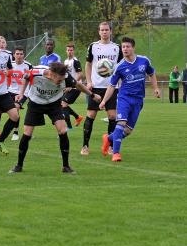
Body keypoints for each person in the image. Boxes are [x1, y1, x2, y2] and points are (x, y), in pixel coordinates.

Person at [8, 62, 102, 174]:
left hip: (54, 104)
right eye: (59, 80)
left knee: (63, 130)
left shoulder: (65, 77)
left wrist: (92, 95)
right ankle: (19, 165)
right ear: (51, 74)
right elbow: (26, 77)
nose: (61, 82)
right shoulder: (37, 72)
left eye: (63, 80)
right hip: (35, 103)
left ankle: (66, 166)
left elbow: (78, 85)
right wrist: (21, 93)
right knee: (27, 134)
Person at [99, 37, 160, 162]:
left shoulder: (144, 61)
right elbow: (111, 86)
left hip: (138, 100)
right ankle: (116, 153)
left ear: (133, 47)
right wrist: (104, 101)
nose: (125, 49)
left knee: (127, 131)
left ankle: (109, 138)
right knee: (121, 124)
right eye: (123, 47)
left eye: (127, 46)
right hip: (124, 99)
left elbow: (151, 73)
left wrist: (156, 88)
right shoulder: (119, 67)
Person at [82, 22, 123, 155]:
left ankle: (110, 146)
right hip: (96, 86)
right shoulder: (93, 46)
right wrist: (89, 81)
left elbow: (121, 66)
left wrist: (121, 83)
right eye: (102, 30)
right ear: (99, 32)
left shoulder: (117, 48)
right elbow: (88, 65)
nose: (104, 32)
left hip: (112, 86)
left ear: (111, 31)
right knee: (91, 115)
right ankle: (85, 146)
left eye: (106, 30)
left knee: (112, 116)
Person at [62, 43, 85, 133]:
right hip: (68, 87)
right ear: (66, 51)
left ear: (73, 51)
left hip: (76, 87)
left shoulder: (75, 61)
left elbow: (80, 74)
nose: (70, 52)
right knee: (62, 104)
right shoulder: (65, 61)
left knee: (63, 103)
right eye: (68, 50)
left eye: (71, 50)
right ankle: (77, 117)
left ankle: (69, 127)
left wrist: (71, 85)